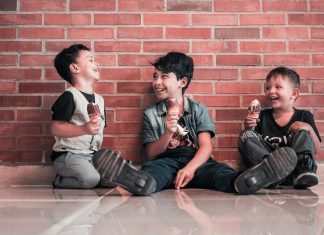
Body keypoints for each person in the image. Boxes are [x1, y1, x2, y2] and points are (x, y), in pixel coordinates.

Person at [140, 52, 296, 195]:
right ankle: (140, 183)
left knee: (221, 172)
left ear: (182, 82)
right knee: (153, 171)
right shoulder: (151, 114)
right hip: (165, 162)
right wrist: (168, 132)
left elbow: (206, 147)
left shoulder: (197, 109)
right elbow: (151, 154)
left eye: (164, 76)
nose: (157, 82)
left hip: (197, 160)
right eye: (155, 76)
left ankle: (248, 180)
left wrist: (190, 168)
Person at [51, 44, 155, 195]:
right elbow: (56, 128)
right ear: (75, 68)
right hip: (69, 155)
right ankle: (60, 180)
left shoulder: (99, 100)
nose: (97, 63)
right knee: (90, 179)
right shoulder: (70, 96)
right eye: (91, 60)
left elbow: (98, 130)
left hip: (92, 155)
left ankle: (118, 175)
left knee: (108, 179)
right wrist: (84, 129)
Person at [238, 67, 321, 190]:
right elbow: (253, 145)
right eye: (268, 88)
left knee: (303, 131)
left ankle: (303, 170)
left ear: (294, 93)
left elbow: (316, 150)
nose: (271, 91)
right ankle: (267, 170)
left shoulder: (304, 116)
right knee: (245, 134)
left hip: (295, 170)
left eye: (278, 87)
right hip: (271, 170)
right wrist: (249, 127)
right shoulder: (263, 116)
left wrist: (308, 128)